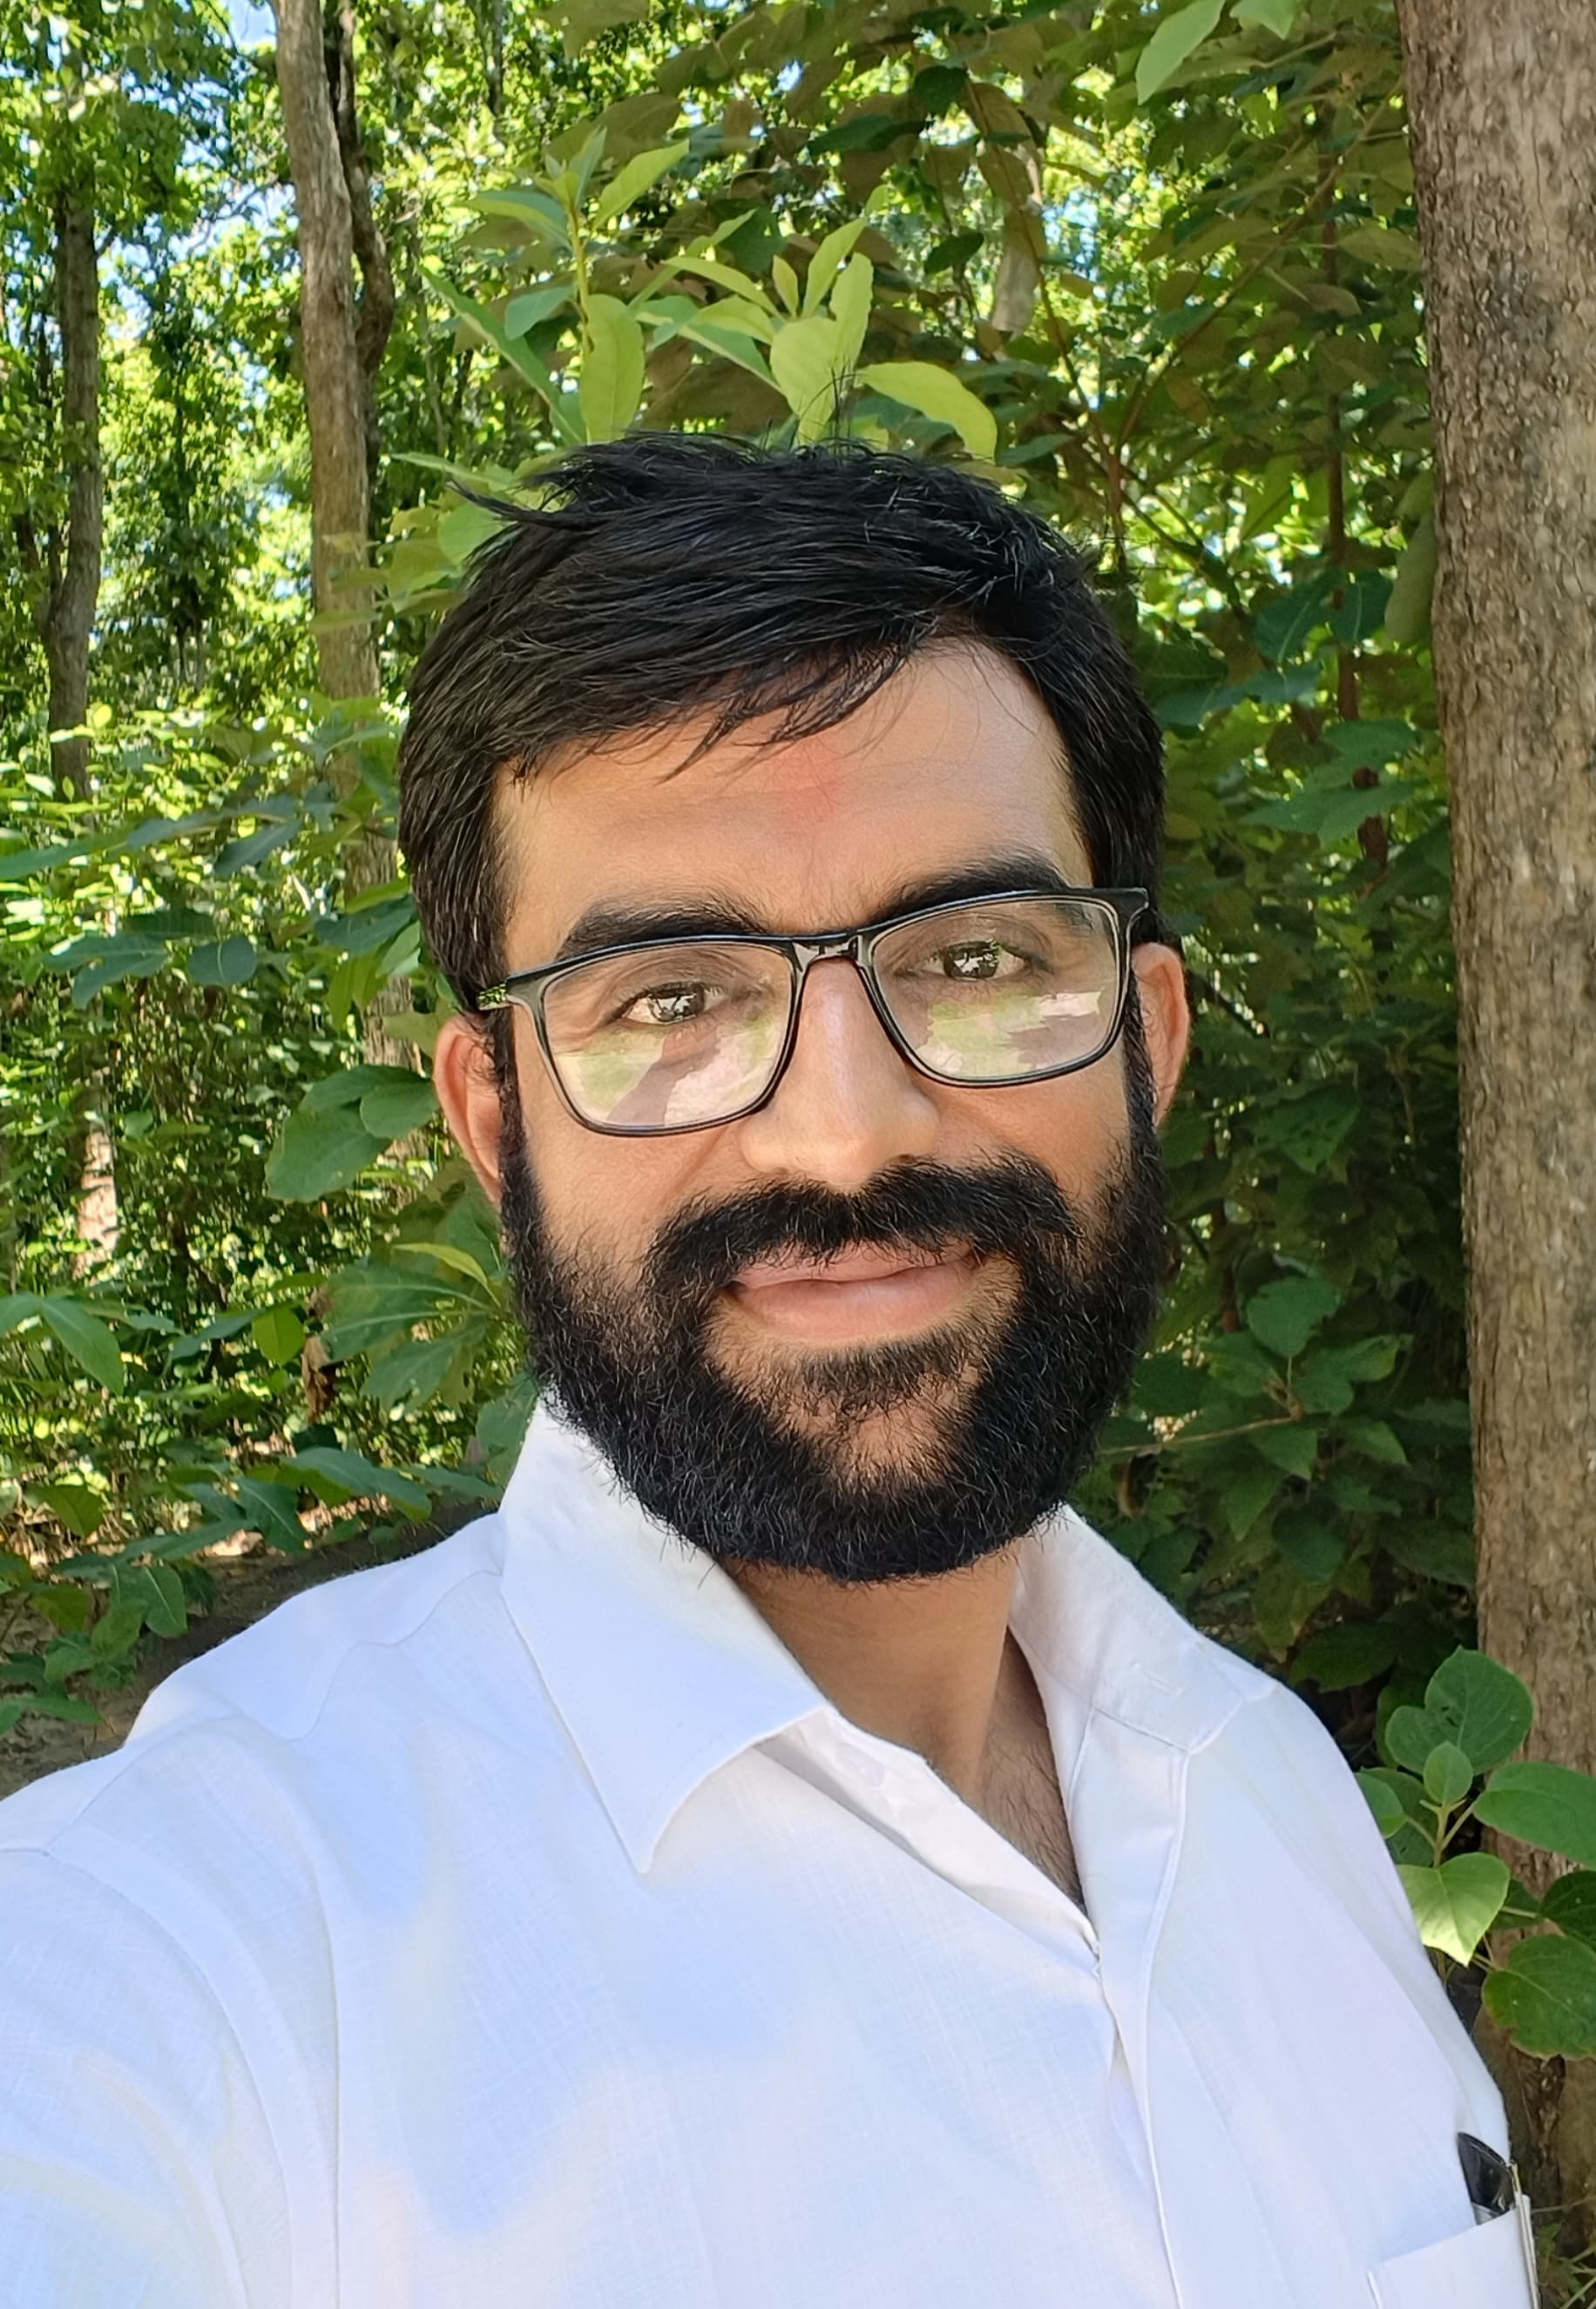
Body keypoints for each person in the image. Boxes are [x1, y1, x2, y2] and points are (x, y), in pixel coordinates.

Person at [0, 437, 1528, 2309]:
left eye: (977, 957)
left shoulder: (1274, 1790)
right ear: (495, 1121)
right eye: (670, 996)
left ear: (1146, 1042)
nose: (844, 1131)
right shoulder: (195, 1949)